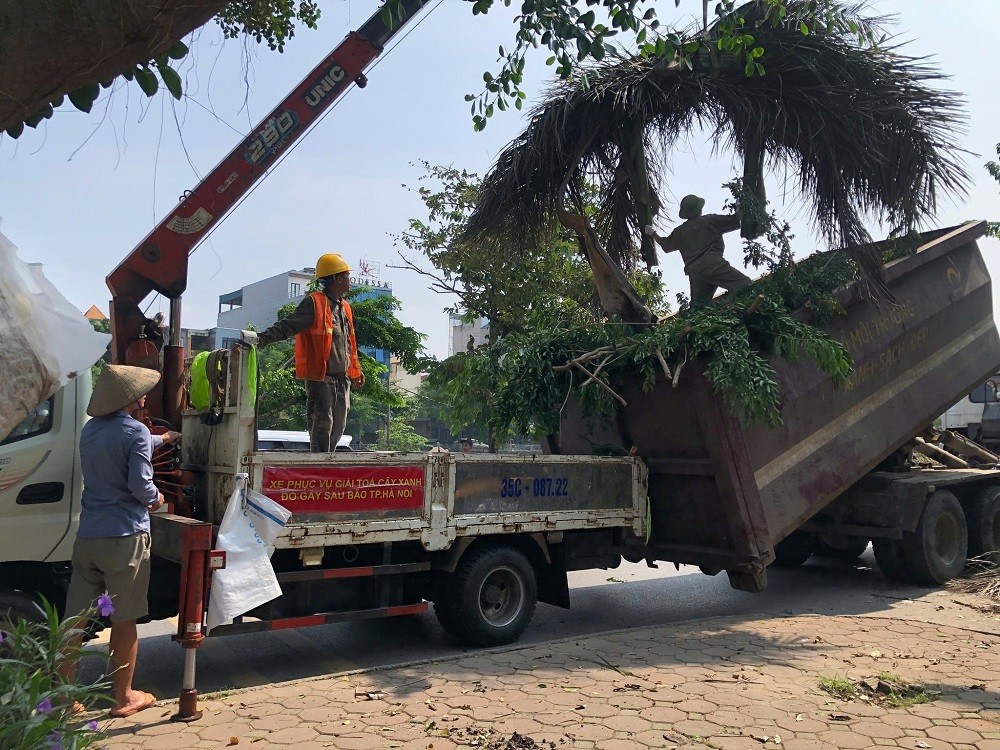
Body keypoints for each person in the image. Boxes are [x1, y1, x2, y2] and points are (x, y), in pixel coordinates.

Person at [62, 364, 180, 718]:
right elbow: (142, 487)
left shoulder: (90, 431)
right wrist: (160, 501)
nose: (144, 396)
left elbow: (132, 441)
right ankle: (124, 696)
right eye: (139, 393)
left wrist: (164, 439)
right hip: (125, 538)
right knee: (123, 620)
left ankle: (63, 701)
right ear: (128, 398)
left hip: (89, 538)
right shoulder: (135, 433)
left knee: (74, 623)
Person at [238, 253, 365, 452]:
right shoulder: (315, 303)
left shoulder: (344, 308)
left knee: (338, 429)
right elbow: (288, 325)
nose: (350, 280)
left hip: (342, 380)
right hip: (321, 379)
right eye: (347, 276)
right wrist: (261, 339)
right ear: (337, 278)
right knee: (322, 426)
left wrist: (355, 371)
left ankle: (327, 466)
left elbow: (349, 344)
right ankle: (319, 468)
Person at [644, 194, 752, 307]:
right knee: (744, 284)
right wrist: (740, 207)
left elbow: (666, 245)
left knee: (698, 308)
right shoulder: (709, 220)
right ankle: (729, 306)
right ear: (699, 209)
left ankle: (692, 323)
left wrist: (653, 234)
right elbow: (736, 220)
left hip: (695, 273)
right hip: (713, 265)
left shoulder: (680, 232)